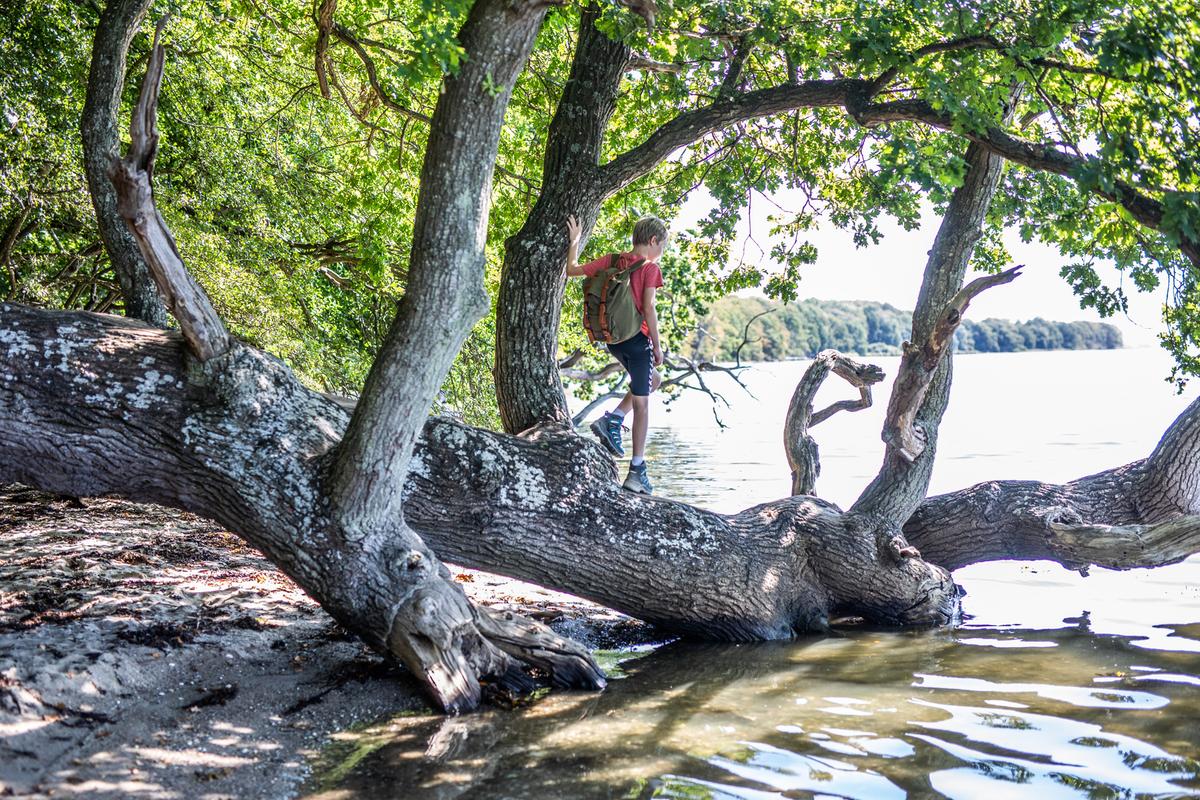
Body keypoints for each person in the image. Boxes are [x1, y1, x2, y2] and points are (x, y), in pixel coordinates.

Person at [564, 214, 667, 494]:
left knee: (653, 380)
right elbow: (649, 308)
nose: (662, 252)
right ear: (653, 240)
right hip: (638, 341)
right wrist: (657, 345)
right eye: (662, 246)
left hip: (614, 340)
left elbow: (571, 270)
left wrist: (575, 241)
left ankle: (614, 418)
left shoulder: (612, 260)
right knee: (643, 406)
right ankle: (636, 472)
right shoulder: (650, 268)